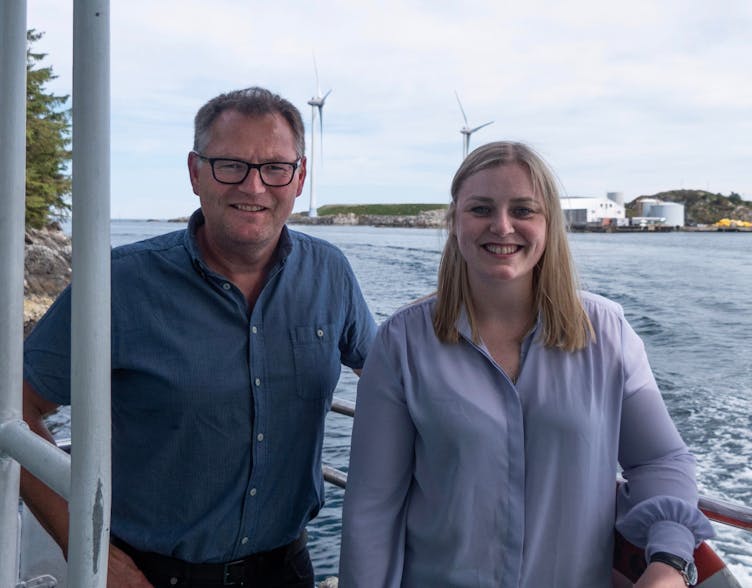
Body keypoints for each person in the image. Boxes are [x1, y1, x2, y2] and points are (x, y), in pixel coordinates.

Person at [22, 86, 377, 588]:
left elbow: (395, 378)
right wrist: (85, 544)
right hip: (149, 575)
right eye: (230, 165)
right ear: (195, 173)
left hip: (287, 570)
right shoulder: (119, 284)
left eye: (275, 167)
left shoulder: (330, 274)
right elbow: (15, 404)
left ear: (300, 178)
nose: (254, 186)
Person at [339, 141, 714, 587]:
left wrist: (669, 560)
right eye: (481, 209)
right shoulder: (402, 343)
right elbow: (373, 507)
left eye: (523, 210)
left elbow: (659, 460)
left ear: (548, 224)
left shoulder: (607, 334)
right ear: (454, 221)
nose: (502, 226)